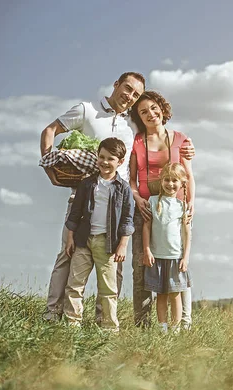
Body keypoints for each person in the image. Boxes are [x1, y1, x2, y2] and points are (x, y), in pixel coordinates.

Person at [40, 71, 145, 322]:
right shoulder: (87, 110)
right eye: (127, 89)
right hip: (84, 200)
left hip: (116, 206)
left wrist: (185, 149)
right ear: (116, 84)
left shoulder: (131, 125)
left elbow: (156, 133)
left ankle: (103, 321)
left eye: (136, 95)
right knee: (68, 256)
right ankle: (53, 315)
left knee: (113, 266)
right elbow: (50, 129)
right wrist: (47, 165)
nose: (130, 96)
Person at [129, 91, 195, 328]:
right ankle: (145, 324)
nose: (150, 114)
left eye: (153, 108)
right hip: (147, 209)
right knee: (144, 267)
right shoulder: (136, 141)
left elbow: (188, 175)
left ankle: (183, 323)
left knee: (179, 268)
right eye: (143, 111)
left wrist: (191, 204)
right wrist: (137, 198)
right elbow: (132, 178)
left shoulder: (179, 139)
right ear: (138, 117)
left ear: (162, 108)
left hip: (176, 209)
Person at [63, 137, 135, 330]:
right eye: (101, 157)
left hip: (108, 243)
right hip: (83, 241)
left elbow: (128, 218)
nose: (104, 162)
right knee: (74, 285)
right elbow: (75, 214)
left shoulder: (123, 188)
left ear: (120, 162)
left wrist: (123, 245)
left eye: (110, 158)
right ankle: (72, 325)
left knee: (108, 289)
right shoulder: (86, 184)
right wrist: (70, 239)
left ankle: (109, 328)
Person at [142, 163, 192, 333]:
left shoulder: (183, 206)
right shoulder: (153, 201)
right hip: (157, 256)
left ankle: (175, 328)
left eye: (175, 181)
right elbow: (146, 227)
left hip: (175, 257)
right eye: (167, 180)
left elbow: (186, 234)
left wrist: (185, 257)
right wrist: (147, 250)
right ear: (161, 181)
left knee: (175, 294)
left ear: (182, 183)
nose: (171, 184)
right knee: (160, 294)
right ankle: (162, 327)